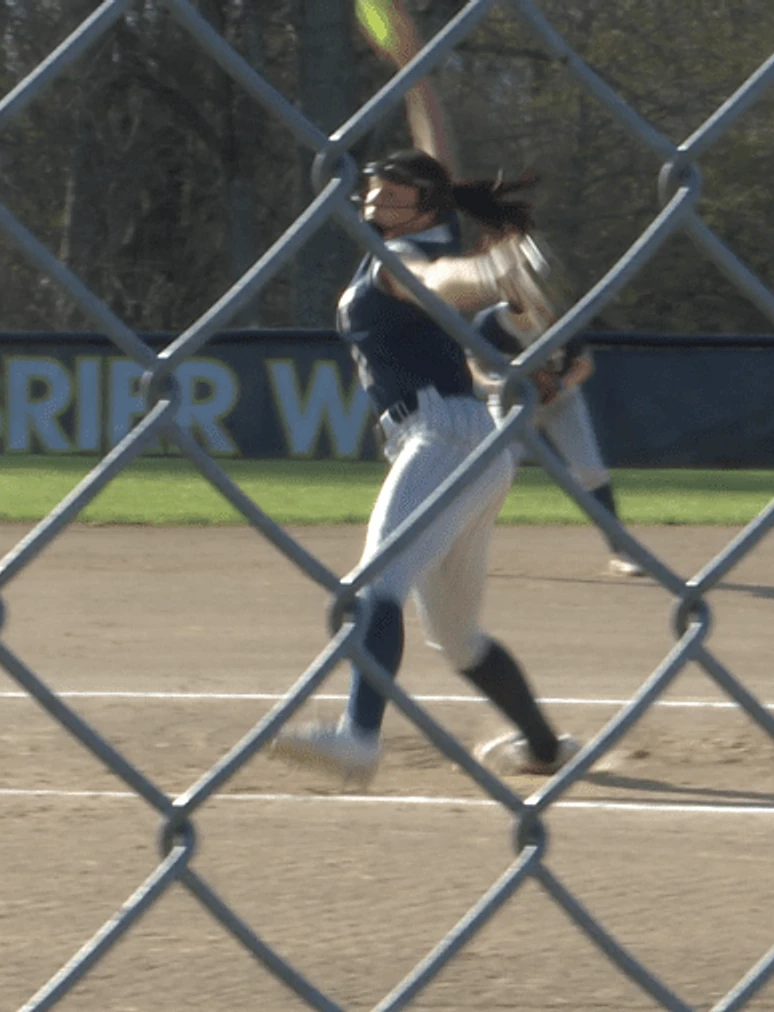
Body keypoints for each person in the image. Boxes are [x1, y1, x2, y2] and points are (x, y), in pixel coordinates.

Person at [269, 25, 578, 786]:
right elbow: (434, 154)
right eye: (371, 184)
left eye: (392, 187)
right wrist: (413, 68)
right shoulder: (417, 237)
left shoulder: (404, 259)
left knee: (376, 583)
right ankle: (544, 747)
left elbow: (441, 283)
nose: (375, 190)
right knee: (458, 637)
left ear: (421, 207)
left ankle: (359, 737)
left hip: (441, 436)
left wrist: (494, 273)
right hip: (475, 443)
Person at [469, 299, 645, 578]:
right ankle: (460, 550)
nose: (542, 302)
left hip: (561, 403)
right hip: (510, 404)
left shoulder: (560, 319)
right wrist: (495, 386)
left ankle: (620, 552)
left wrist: (560, 385)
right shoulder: (490, 322)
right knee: (494, 474)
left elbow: (584, 364)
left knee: (590, 471)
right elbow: (473, 364)